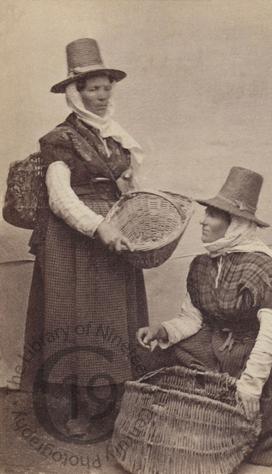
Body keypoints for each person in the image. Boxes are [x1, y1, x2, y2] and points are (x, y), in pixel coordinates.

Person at [137, 166, 272, 466]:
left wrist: (250, 384)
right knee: (162, 372)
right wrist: (163, 330)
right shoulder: (203, 265)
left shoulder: (262, 265)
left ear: (235, 223)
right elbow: (193, 319)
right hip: (220, 343)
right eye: (206, 213)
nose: (203, 221)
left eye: (213, 215)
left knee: (257, 420)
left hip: (263, 349)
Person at [21, 38, 149, 436]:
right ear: (75, 92)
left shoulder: (117, 138)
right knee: (72, 320)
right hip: (72, 243)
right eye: (92, 88)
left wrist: (133, 210)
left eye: (106, 87)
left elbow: (130, 189)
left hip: (113, 237)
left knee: (113, 319)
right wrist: (99, 227)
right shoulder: (60, 139)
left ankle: (110, 410)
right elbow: (60, 198)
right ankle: (69, 412)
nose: (101, 96)